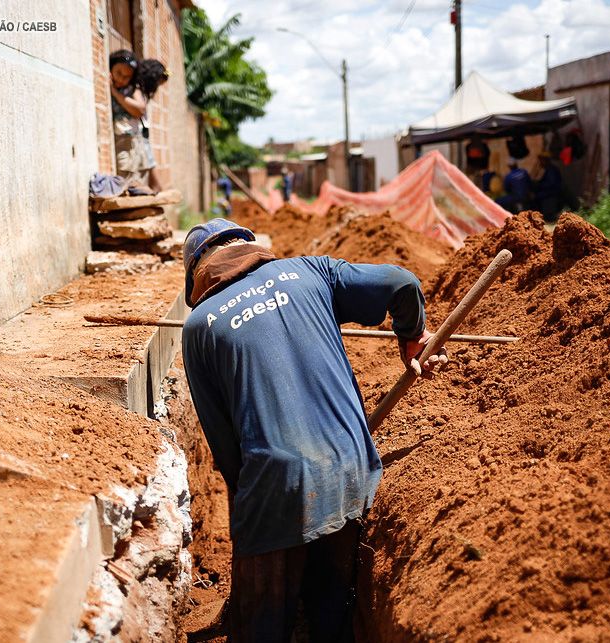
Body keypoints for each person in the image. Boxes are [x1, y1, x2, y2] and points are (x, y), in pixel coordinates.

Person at [180, 219, 447, 642]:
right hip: (352, 464)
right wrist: (412, 337)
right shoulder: (311, 271)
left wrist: (251, 520)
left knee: (261, 626)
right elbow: (402, 281)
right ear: (251, 246)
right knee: (333, 608)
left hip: (276, 482)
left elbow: (225, 448)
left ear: (197, 273)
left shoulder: (200, 327)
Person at [109, 51, 169, 192]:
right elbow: (139, 109)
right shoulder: (133, 89)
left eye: (126, 76)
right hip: (128, 139)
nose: (122, 79)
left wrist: (113, 91)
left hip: (135, 139)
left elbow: (139, 109)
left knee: (136, 182)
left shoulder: (130, 89)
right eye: (119, 73)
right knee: (129, 182)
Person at [534, 150, 564, 221]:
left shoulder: (551, 170)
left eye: (541, 160)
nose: (540, 162)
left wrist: (540, 185)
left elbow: (551, 184)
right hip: (548, 192)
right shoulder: (546, 169)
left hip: (551, 193)